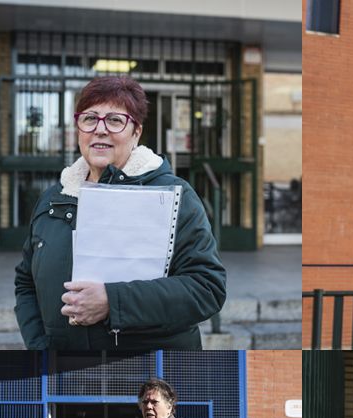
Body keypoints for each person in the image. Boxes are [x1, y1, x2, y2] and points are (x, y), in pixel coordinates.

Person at [14, 76, 226, 350]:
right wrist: (41, 348)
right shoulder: (53, 199)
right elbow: (25, 283)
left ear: (136, 132)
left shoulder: (174, 196)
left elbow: (206, 288)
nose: (100, 130)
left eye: (115, 120)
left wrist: (113, 302)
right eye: (90, 118)